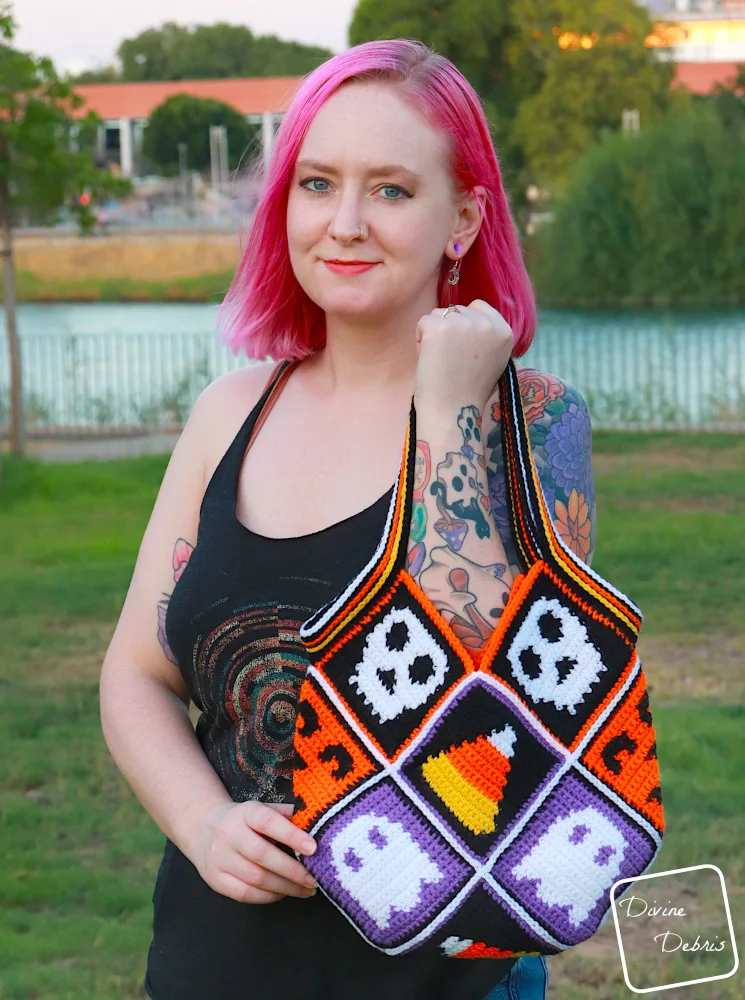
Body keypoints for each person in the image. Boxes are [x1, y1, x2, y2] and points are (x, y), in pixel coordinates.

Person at [99, 39, 595, 1000]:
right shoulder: (230, 413)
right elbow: (136, 672)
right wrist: (204, 824)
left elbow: (504, 717)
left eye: (392, 191)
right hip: (216, 964)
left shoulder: (534, 423)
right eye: (317, 182)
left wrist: (451, 416)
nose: (345, 223)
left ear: (463, 219)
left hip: (437, 981)